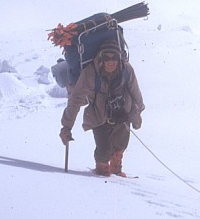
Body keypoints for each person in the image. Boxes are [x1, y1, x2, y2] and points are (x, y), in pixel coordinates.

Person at [60, 44, 144, 176]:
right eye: (106, 57)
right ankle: (101, 172)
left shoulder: (126, 70)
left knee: (120, 146)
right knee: (104, 151)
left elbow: (136, 96)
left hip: (122, 113)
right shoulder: (90, 73)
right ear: (100, 58)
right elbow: (75, 100)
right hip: (98, 115)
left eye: (114, 58)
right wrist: (66, 127)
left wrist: (137, 116)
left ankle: (116, 170)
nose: (111, 62)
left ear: (119, 58)